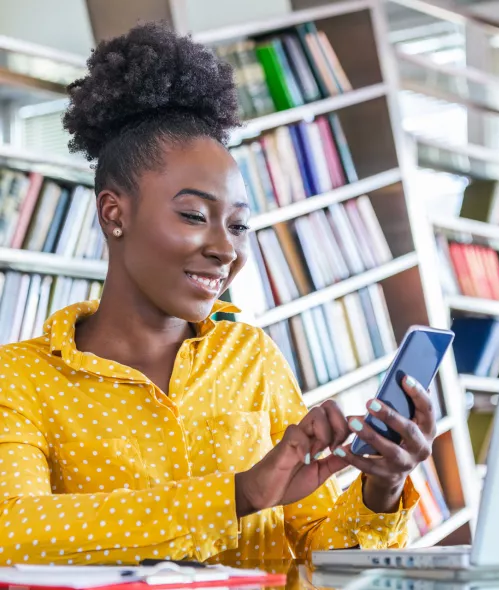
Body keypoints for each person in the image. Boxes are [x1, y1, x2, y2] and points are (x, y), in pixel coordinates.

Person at [0, 22, 436, 566]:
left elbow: (326, 559)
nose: (225, 249)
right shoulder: (20, 379)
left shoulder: (251, 359)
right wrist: (240, 495)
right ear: (114, 213)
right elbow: (15, 533)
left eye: (237, 226)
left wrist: (384, 485)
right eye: (193, 216)